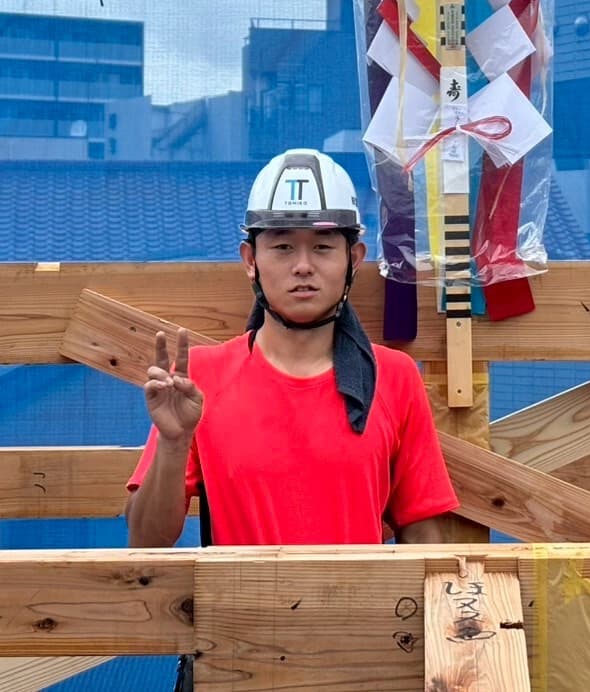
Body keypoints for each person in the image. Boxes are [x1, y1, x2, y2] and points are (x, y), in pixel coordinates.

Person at [126, 148, 458, 549]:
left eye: (322, 247)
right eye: (283, 247)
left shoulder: (392, 376)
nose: (303, 265)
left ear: (354, 259)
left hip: (360, 593)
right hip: (238, 594)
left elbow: (423, 535)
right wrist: (173, 443)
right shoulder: (199, 379)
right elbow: (146, 541)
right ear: (251, 260)